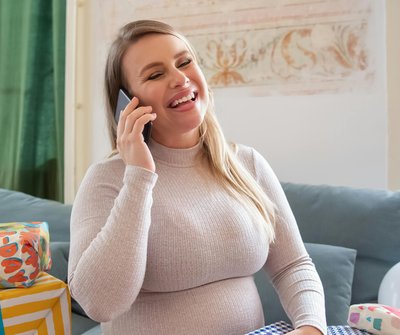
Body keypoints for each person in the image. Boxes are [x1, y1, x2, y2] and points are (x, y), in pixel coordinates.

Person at [68, 19, 327, 335]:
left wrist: (312, 327)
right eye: (155, 74)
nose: (179, 78)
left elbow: (293, 266)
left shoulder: (247, 163)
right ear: (128, 104)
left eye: (184, 62)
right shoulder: (106, 181)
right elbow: (99, 303)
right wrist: (138, 176)